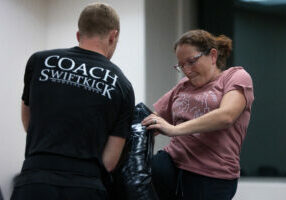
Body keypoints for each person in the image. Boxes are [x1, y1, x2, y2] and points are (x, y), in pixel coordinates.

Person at [11, 3, 134, 200]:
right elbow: (110, 161)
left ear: (79, 34)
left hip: (35, 181)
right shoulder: (122, 85)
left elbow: (28, 122)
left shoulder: (39, 61)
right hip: (86, 186)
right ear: (113, 36)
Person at [142, 29, 254, 200]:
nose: (186, 70)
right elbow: (153, 120)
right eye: (181, 65)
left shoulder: (235, 77)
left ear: (213, 55)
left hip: (211, 176)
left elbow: (226, 116)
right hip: (172, 166)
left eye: (191, 62)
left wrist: (174, 129)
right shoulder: (182, 86)